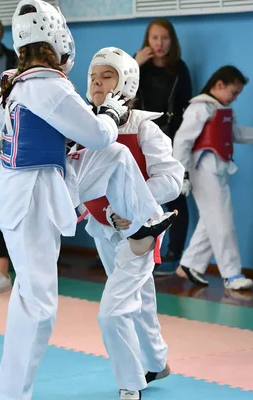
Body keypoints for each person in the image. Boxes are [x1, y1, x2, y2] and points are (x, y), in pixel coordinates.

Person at [0, 2, 176, 399]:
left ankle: (144, 224)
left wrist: (104, 118)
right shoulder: (46, 83)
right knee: (37, 306)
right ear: (58, 36)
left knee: (116, 158)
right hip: (33, 195)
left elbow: (91, 143)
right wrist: (111, 114)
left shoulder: (18, 79)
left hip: (44, 181)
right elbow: (98, 134)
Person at [72, 47, 183, 400]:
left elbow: (172, 178)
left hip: (140, 231)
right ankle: (156, 360)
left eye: (107, 76)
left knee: (114, 309)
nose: (97, 83)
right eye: (93, 77)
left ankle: (130, 382)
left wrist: (133, 205)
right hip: (102, 229)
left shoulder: (144, 128)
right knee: (141, 299)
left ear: (127, 84)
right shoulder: (85, 126)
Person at [172, 65, 253, 290]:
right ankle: (231, 274)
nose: (235, 98)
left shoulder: (221, 109)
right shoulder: (200, 108)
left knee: (212, 220)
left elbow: (234, 133)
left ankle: (190, 264)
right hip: (203, 170)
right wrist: (181, 173)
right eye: (233, 92)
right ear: (219, 85)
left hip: (219, 169)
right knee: (223, 222)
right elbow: (182, 140)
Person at [134, 18, 193, 269]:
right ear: (147, 40)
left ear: (173, 41)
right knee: (138, 192)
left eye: (164, 38)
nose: (159, 44)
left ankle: (173, 253)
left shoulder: (179, 68)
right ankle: (139, 248)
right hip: (142, 135)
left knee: (175, 194)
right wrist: (135, 64)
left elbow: (186, 107)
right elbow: (123, 94)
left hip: (170, 138)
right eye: (154, 38)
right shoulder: (138, 67)